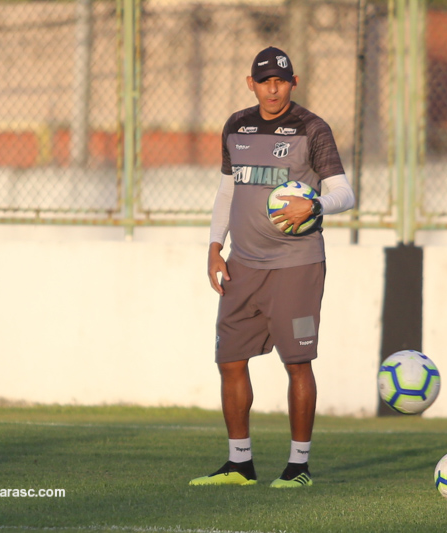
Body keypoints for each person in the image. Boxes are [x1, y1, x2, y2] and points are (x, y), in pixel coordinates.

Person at [189, 46, 355, 488]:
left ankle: (298, 467)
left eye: (281, 81)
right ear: (252, 84)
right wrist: (213, 246)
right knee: (229, 359)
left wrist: (314, 202)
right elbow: (227, 193)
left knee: (297, 362)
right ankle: (239, 464)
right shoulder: (236, 126)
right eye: (264, 81)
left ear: (293, 83)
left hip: (295, 266)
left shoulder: (312, 128)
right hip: (243, 265)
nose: (273, 88)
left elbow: (345, 193)